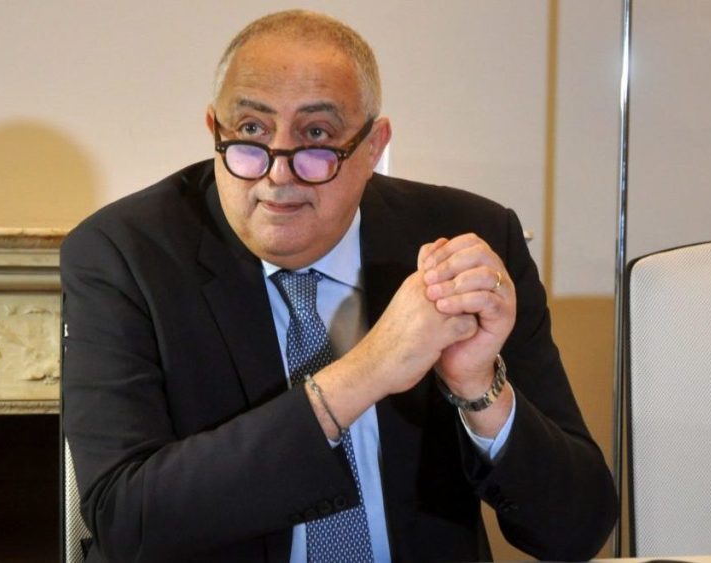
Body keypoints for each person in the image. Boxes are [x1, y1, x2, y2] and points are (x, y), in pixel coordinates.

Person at [61, 9, 617, 563]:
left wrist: (478, 387)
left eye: (316, 135)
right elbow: (125, 521)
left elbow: (575, 532)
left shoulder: (463, 244)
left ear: (374, 147)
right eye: (251, 130)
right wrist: (369, 369)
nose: (278, 174)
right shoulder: (123, 255)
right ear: (214, 130)